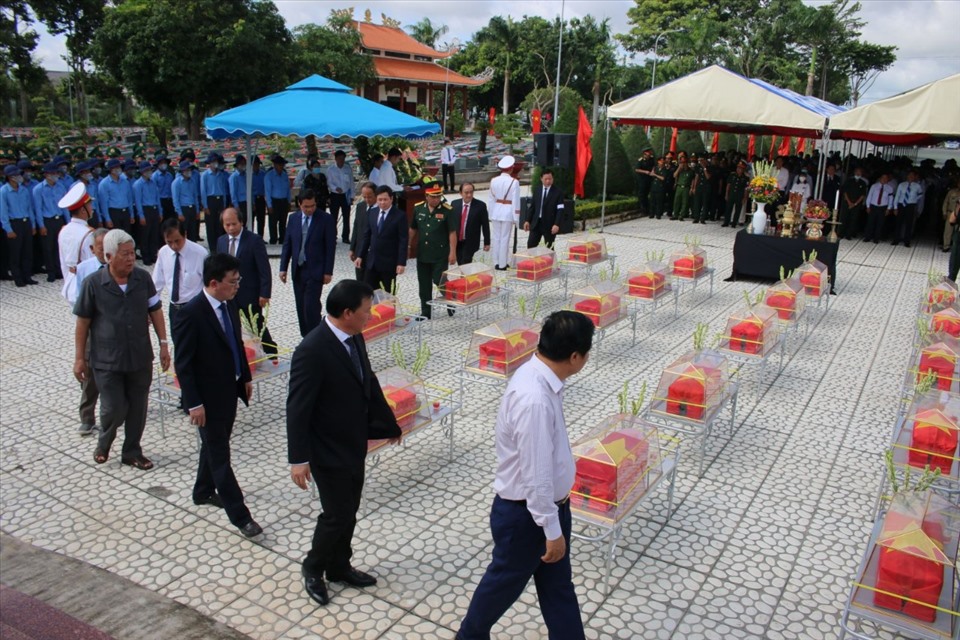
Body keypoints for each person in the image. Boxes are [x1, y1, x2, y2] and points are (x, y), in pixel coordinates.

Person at [457, 310, 594, 640]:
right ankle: (469, 636)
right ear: (575, 357)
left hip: (546, 508)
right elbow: (536, 474)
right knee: (503, 584)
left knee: (558, 586)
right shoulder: (533, 398)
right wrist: (550, 526)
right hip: (528, 516)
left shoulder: (541, 376)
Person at [286, 279, 403, 606]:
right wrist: (298, 458)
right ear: (347, 312)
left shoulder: (354, 337)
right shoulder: (312, 350)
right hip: (326, 449)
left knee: (349, 509)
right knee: (336, 514)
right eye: (366, 311)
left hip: (352, 443)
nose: (371, 315)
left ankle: (340, 566)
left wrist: (388, 424)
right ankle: (313, 567)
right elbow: (297, 407)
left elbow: (368, 380)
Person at [173, 253, 262, 538]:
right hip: (207, 399)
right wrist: (194, 404)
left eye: (238, 280)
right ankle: (240, 515)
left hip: (229, 390)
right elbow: (183, 364)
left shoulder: (228, 304)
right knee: (220, 455)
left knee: (213, 445)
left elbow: (236, 342)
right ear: (214, 283)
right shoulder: (191, 313)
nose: (237, 286)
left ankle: (202, 490)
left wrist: (244, 376)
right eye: (232, 282)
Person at [73, 229, 170, 470]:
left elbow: (155, 310)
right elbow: (82, 323)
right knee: (114, 407)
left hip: (139, 355)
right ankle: (104, 442)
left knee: (138, 406)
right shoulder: (93, 284)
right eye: (124, 254)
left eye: (132, 253)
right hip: (107, 360)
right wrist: (79, 359)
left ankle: (132, 451)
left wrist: (163, 344)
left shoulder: (142, 279)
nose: (130, 259)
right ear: (108, 256)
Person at [218, 208, 275, 355]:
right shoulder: (221, 241)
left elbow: (264, 269)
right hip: (229, 294)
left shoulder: (254, 241)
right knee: (233, 325)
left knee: (256, 325)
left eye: (234, 224)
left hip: (249, 293)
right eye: (227, 225)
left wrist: (265, 293)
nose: (230, 228)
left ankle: (270, 352)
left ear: (241, 222)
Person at [279, 189, 336, 337]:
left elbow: (330, 247)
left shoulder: (325, 219)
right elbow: (288, 244)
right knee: (300, 307)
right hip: (298, 270)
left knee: (311, 307)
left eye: (312, 206)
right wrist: (283, 268)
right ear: (299, 204)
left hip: (315, 270)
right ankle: (306, 338)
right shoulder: (293, 219)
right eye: (306, 206)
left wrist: (328, 271)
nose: (310, 209)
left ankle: (316, 337)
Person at [73, 228, 108, 436]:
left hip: (113, 329)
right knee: (89, 374)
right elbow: (78, 302)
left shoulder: (120, 267)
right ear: (92, 249)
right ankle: (87, 418)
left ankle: (112, 414)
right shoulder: (84, 270)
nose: (104, 253)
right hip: (91, 327)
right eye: (100, 249)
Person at [410, 180, 456, 318]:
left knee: (439, 280)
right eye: (433, 196)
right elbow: (413, 228)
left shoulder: (447, 210)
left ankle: (451, 299)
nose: (436, 199)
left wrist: (452, 252)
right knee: (423, 284)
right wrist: (407, 245)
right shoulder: (418, 209)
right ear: (426, 196)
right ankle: (426, 312)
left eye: (438, 196)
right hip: (423, 253)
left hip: (440, 254)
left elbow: (452, 232)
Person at [153, 218, 208, 330]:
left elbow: (208, 283)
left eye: (177, 241)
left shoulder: (199, 253)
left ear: (185, 235)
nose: (174, 246)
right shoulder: (164, 252)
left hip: (195, 307)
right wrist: (151, 306)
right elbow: (157, 282)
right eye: (169, 242)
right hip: (174, 308)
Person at [355, 185, 407, 294]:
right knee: (368, 292)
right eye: (380, 200)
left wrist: (401, 262)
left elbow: (403, 240)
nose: (382, 203)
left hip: (389, 263)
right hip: (372, 262)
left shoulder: (400, 216)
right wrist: (360, 255)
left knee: (388, 294)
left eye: (385, 199)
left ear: (391, 199)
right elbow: (367, 236)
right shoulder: (372, 213)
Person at [57, 182, 96, 304]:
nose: (92, 208)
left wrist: (67, 280)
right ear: (83, 210)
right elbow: (93, 265)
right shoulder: (88, 234)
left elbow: (63, 262)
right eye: (89, 205)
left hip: (71, 283)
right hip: (86, 285)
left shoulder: (64, 230)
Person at [1, 164, 38, 287]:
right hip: (14, 223)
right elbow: (3, 212)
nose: (19, 177)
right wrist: (8, 229)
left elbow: (29, 208)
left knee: (27, 251)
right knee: (15, 253)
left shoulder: (23, 189)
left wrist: (32, 224)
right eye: (16, 175)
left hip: (26, 222)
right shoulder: (4, 191)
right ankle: (18, 278)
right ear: (10, 177)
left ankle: (27, 276)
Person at [488, 156, 520, 270]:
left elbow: (491, 199)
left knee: (496, 238)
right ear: (511, 168)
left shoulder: (493, 180)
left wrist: (491, 214)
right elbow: (516, 202)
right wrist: (517, 218)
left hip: (496, 210)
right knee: (505, 238)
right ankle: (502, 263)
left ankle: (496, 262)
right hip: (507, 211)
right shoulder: (514, 182)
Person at [524, 168, 567, 249]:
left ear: (553, 179)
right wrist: (527, 220)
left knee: (549, 247)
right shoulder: (537, 190)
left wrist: (556, 224)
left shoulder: (558, 192)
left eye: (550, 179)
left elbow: (560, 210)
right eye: (546, 179)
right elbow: (532, 207)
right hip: (536, 223)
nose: (548, 181)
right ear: (541, 179)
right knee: (531, 245)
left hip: (549, 224)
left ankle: (551, 261)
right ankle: (533, 261)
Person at [451, 182, 490, 265]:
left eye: (471, 192)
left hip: (471, 241)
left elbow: (485, 225)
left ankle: (464, 277)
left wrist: (487, 242)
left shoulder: (480, 206)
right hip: (457, 240)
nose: (469, 195)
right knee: (460, 261)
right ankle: (464, 276)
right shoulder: (454, 204)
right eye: (466, 193)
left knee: (466, 262)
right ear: (460, 193)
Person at [133, 161, 161, 265]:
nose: (149, 172)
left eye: (150, 170)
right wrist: (141, 215)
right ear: (142, 172)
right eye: (147, 170)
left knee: (154, 234)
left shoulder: (153, 182)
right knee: (145, 235)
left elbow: (157, 197)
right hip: (145, 210)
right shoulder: (138, 184)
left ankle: (154, 255)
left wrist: (160, 211)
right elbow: (138, 201)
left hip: (154, 209)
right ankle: (146, 256)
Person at [98, 158, 135, 234]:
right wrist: (107, 218)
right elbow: (104, 203)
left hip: (125, 211)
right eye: (115, 167)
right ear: (110, 170)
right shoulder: (104, 184)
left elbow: (129, 199)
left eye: (119, 167)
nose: (118, 169)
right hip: (114, 212)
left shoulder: (125, 181)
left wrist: (131, 214)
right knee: (116, 235)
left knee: (127, 234)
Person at [200, 153, 229, 252]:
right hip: (210, 200)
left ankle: (220, 247)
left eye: (216, 161)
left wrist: (224, 204)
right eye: (213, 162)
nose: (215, 164)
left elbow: (223, 190)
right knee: (211, 226)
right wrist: (205, 205)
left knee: (220, 225)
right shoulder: (205, 175)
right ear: (210, 163)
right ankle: (213, 248)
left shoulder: (220, 174)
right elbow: (203, 191)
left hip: (220, 199)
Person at [349, 181, 377, 282]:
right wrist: (352, 248)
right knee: (360, 281)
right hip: (359, 250)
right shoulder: (360, 206)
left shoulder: (380, 210)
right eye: (364, 197)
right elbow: (356, 227)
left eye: (369, 197)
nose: (367, 199)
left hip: (373, 252)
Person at [326, 150, 354, 244]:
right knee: (333, 216)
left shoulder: (347, 169)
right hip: (335, 195)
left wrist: (352, 196)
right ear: (336, 159)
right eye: (339, 159)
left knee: (346, 216)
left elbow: (351, 183)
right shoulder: (331, 169)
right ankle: (333, 236)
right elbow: (329, 182)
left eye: (343, 159)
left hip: (345, 194)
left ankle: (345, 237)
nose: (341, 160)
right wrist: (335, 188)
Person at [172, 160, 202, 242]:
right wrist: (179, 213)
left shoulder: (192, 181)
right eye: (187, 170)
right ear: (182, 171)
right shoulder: (176, 183)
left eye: (190, 169)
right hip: (183, 208)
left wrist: (197, 210)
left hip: (192, 207)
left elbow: (195, 196)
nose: (189, 172)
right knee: (182, 231)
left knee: (192, 231)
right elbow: (176, 199)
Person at [892, 169, 924, 247]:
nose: (910, 177)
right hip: (901, 204)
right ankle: (896, 239)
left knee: (909, 224)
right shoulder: (901, 185)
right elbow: (897, 196)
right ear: (907, 176)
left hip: (910, 205)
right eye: (909, 175)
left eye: (912, 176)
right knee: (898, 223)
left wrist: (914, 199)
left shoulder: (917, 186)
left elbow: (921, 194)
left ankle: (907, 241)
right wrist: (895, 207)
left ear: (914, 177)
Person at [265, 155, 291, 245]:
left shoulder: (284, 175)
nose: (281, 166)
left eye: (282, 165)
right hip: (274, 200)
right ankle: (273, 239)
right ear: (275, 165)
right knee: (273, 222)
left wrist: (288, 201)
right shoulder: (269, 176)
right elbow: (267, 192)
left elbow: (288, 189)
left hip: (283, 201)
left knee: (283, 221)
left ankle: (282, 239)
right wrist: (269, 205)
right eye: (279, 165)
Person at [863, 173, 894, 244]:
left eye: (886, 178)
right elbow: (869, 196)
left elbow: (891, 199)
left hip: (883, 207)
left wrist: (888, 208)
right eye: (883, 178)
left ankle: (876, 238)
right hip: (873, 206)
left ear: (888, 179)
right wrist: (868, 206)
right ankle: (867, 237)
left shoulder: (890, 188)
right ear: (880, 178)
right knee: (870, 222)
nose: (884, 179)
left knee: (880, 223)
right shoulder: (874, 186)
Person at [840, 166, 868, 240]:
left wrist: (855, 204)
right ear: (854, 172)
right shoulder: (849, 181)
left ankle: (849, 234)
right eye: (857, 172)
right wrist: (849, 203)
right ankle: (841, 233)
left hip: (856, 204)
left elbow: (863, 195)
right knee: (844, 218)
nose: (858, 173)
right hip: (847, 203)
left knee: (853, 220)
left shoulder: (863, 183)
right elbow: (845, 192)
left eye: (860, 172)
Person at [723, 161, 750, 228]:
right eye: (738, 168)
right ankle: (726, 222)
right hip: (731, 194)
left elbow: (746, 189)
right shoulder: (732, 175)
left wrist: (745, 197)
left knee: (738, 210)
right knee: (728, 208)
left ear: (743, 169)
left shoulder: (745, 178)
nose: (739, 169)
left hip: (739, 195)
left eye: (741, 168)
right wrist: (726, 194)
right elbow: (728, 185)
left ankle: (734, 223)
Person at [228, 155, 249, 224]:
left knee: (248, 222)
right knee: (241, 222)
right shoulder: (234, 177)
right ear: (237, 165)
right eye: (241, 164)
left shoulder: (246, 175)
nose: (243, 165)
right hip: (240, 203)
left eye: (244, 164)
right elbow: (233, 193)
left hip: (247, 201)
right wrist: (236, 206)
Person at [154, 155, 175, 221]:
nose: (163, 165)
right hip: (161, 201)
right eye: (161, 163)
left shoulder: (169, 175)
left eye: (165, 163)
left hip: (170, 200)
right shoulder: (155, 176)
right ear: (158, 165)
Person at [634, 148, 654, 216]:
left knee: (651, 194)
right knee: (642, 195)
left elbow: (654, 166)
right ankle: (643, 210)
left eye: (650, 152)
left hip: (650, 179)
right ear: (645, 153)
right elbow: (637, 169)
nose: (650, 153)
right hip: (642, 180)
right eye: (648, 152)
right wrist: (645, 172)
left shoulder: (652, 159)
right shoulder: (641, 160)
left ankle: (650, 209)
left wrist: (652, 171)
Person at [251, 156, 268, 238]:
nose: (256, 166)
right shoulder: (248, 175)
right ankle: (250, 237)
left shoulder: (263, 174)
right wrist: (252, 202)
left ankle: (260, 237)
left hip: (261, 198)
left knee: (261, 219)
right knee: (251, 220)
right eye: (254, 164)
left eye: (257, 164)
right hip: (252, 198)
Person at [943, 177, 960, 253]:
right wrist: (944, 212)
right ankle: (946, 246)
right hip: (950, 213)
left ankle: (955, 247)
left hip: (959, 215)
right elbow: (946, 202)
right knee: (948, 231)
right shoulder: (951, 192)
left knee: (957, 232)